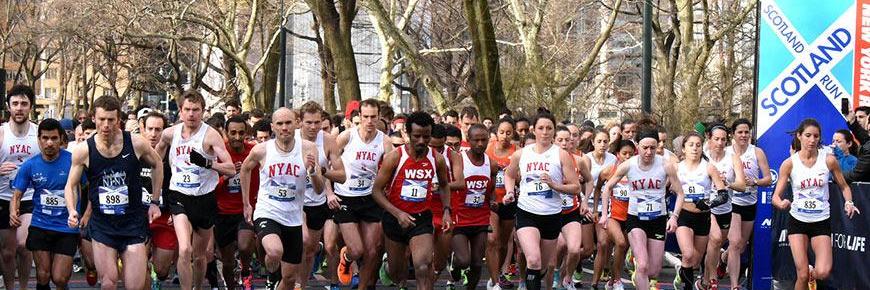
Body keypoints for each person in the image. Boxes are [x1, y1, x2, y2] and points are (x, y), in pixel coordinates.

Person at [64, 95, 164, 290]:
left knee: (134, 286)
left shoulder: (136, 143)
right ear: (93, 118)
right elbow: (70, 185)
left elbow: (157, 164)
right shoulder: (83, 150)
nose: (106, 125)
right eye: (102, 119)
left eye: (111, 120)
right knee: (108, 283)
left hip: (132, 224)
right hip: (103, 225)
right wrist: (72, 210)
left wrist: (154, 201)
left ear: (119, 119)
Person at [156, 90, 236, 290]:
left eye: (196, 110)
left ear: (203, 111)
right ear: (180, 111)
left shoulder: (210, 135)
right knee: (184, 249)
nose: (191, 114)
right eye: (187, 109)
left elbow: (231, 169)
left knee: (201, 256)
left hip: (204, 198)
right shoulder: (170, 134)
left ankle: (197, 287)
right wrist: (151, 173)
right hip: (179, 196)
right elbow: (156, 158)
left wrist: (208, 163)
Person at [240, 107, 324, 290]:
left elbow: (319, 190)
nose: (284, 127)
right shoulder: (261, 150)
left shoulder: (308, 149)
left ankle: (274, 279)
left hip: (293, 217)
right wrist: (246, 203)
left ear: (296, 124)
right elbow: (245, 169)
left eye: (288, 123)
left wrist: (312, 172)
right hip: (267, 211)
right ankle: (271, 273)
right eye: (280, 123)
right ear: (273, 127)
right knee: (275, 251)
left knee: (290, 278)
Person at [772, 119, 859, 290]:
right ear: (799, 136)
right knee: (802, 274)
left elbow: (844, 186)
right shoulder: (789, 164)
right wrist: (780, 203)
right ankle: (806, 274)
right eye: (808, 135)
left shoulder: (829, 161)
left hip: (821, 220)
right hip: (798, 220)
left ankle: (812, 273)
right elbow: (775, 196)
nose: (812, 140)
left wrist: (849, 202)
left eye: (816, 136)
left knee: (823, 272)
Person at [373, 111, 452, 290]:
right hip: (395, 218)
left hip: (421, 219)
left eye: (426, 136)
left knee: (423, 266)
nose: (422, 141)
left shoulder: (437, 159)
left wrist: (447, 210)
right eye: (417, 136)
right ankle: (388, 267)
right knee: (397, 273)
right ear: (407, 134)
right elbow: (376, 191)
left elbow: (444, 185)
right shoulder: (395, 157)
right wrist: (398, 213)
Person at [598, 128, 685, 290]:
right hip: (635, 218)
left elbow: (680, 193)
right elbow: (607, 188)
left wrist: (674, 217)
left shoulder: (666, 165)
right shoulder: (628, 165)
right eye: (645, 147)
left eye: (653, 147)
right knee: (643, 266)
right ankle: (639, 264)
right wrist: (604, 214)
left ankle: (634, 263)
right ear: (637, 146)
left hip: (658, 219)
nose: (649, 152)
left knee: (653, 271)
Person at [503, 111, 581, 290]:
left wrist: (555, 185)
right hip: (527, 212)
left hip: (551, 215)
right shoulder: (521, 154)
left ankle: (535, 278)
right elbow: (509, 174)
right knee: (533, 260)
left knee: (543, 267)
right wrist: (510, 192)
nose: (545, 132)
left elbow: (576, 187)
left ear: (554, 130)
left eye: (549, 128)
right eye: (541, 128)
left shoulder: (561, 155)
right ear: (533, 130)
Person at [9, 119, 77, 290]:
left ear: (61, 139)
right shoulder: (30, 165)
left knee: (60, 278)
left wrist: (86, 215)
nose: (49, 143)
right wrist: (13, 211)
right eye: (45, 138)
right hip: (41, 224)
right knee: (43, 275)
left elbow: (88, 188)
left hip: (66, 227)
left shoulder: (73, 161)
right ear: (39, 139)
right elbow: (16, 195)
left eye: (54, 138)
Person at [332, 99, 393, 289]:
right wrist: (328, 192)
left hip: (369, 197)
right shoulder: (347, 137)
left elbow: (391, 168)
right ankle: (347, 256)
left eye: (373, 117)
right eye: (365, 117)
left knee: (372, 251)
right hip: (345, 197)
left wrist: (387, 186)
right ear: (359, 116)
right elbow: (326, 163)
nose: (369, 121)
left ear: (379, 117)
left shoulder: (384, 141)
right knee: (356, 250)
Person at [296, 101, 346, 290]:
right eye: (308, 122)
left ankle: (301, 285)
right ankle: (291, 283)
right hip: (293, 201)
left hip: (316, 201)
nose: (313, 127)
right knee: (300, 243)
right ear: (300, 122)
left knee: (309, 250)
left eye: (317, 122)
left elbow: (342, 176)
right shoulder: (290, 137)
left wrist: (321, 171)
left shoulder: (328, 140)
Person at [672, 132, 729, 290]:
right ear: (684, 149)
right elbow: (664, 189)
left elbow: (723, 195)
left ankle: (682, 273)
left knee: (695, 261)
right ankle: (687, 287)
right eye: (690, 145)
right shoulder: (676, 168)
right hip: (684, 215)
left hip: (703, 217)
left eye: (698, 145)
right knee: (688, 254)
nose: (695, 148)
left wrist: (708, 204)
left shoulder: (709, 167)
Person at [211, 115, 260, 290]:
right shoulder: (219, 153)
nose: (237, 137)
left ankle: (246, 270)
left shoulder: (254, 152)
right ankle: (230, 286)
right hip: (223, 212)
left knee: (245, 246)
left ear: (246, 133)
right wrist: (226, 176)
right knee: (227, 262)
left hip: (245, 210)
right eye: (233, 133)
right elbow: (209, 186)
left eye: (241, 133)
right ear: (226, 133)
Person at [0, 84, 41, 290]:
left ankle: (23, 287)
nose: (19, 108)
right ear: (8, 106)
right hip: (3, 198)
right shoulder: (1, 133)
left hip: (29, 198)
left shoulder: (39, 133)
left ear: (30, 106)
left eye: (24, 103)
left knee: (24, 245)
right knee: (7, 252)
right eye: (15, 103)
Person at [449, 124, 498, 289]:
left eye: (484, 140)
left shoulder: (491, 164)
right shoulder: (459, 160)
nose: (480, 144)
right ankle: (455, 263)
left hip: (480, 218)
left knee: (477, 263)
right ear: (468, 140)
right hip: (460, 217)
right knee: (464, 260)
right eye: (476, 140)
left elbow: (491, 189)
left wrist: (493, 201)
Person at [725, 118, 772, 289]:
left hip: (750, 202)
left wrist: (755, 182)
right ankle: (734, 285)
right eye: (740, 132)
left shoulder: (757, 152)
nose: (744, 135)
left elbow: (768, 178)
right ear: (733, 134)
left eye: (747, 132)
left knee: (741, 246)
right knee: (735, 242)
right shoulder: (727, 152)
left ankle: (723, 259)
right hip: (732, 202)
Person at [698, 124, 746, 290]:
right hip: (707, 207)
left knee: (716, 245)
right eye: (716, 139)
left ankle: (705, 279)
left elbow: (742, 185)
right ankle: (712, 279)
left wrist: (727, 183)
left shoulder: (733, 158)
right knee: (716, 238)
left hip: (726, 207)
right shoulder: (702, 157)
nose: (720, 143)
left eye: (723, 139)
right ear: (709, 139)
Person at [137, 112, 179, 289]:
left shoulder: (173, 155)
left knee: (162, 270)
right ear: (143, 129)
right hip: (139, 217)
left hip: (164, 215)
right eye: (150, 129)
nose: (154, 134)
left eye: (158, 129)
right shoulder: (134, 153)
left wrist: (176, 212)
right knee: (139, 265)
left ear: (165, 131)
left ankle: (156, 275)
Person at [550, 125, 593, 290]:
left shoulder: (579, 160)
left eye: (567, 140)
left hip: (571, 211)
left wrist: (585, 201)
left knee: (574, 250)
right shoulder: (547, 161)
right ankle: (555, 272)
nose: (564, 143)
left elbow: (590, 180)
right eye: (560, 140)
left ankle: (567, 278)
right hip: (552, 211)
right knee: (561, 245)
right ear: (553, 141)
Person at [424, 123, 465, 288]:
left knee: (439, 262)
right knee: (424, 258)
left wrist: (441, 185)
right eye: (432, 146)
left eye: (440, 146)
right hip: (425, 207)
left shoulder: (453, 156)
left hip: (446, 208)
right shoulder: (420, 153)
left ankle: (445, 266)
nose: (436, 150)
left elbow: (460, 183)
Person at [594, 140, 636, 290]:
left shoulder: (637, 172)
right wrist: (596, 210)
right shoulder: (609, 171)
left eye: (631, 154)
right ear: (618, 154)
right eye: (624, 153)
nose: (627, 156)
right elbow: (598, 189)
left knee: (621, 250)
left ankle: (611, 281)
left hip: (630, 216)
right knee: (619, 243)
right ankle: (614, 280)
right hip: (613, 216)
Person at [485, 117, 518, 290]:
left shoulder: (517, 151)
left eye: (508, 132)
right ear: (496, 133)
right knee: (492, 239)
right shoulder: (488, 149)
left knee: (504, 243)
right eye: (502, 132)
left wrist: (511, 173)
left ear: (513, 134)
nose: (505, 136)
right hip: (492, 200)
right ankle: (495, 280)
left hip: (509, 201)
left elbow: (521, 177)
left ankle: (497, 274)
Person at [585, 129, 617, 288]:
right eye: (599, 141)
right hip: (586, 205)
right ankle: (571, 267)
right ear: (593, 142)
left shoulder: (613, 159)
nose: (603, 145)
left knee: (603, 244)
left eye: (605, 141)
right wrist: (584, 203)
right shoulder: (586, 158)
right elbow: (583, 182)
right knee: (586, 249)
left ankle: (594, 283)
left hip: (603, 206)